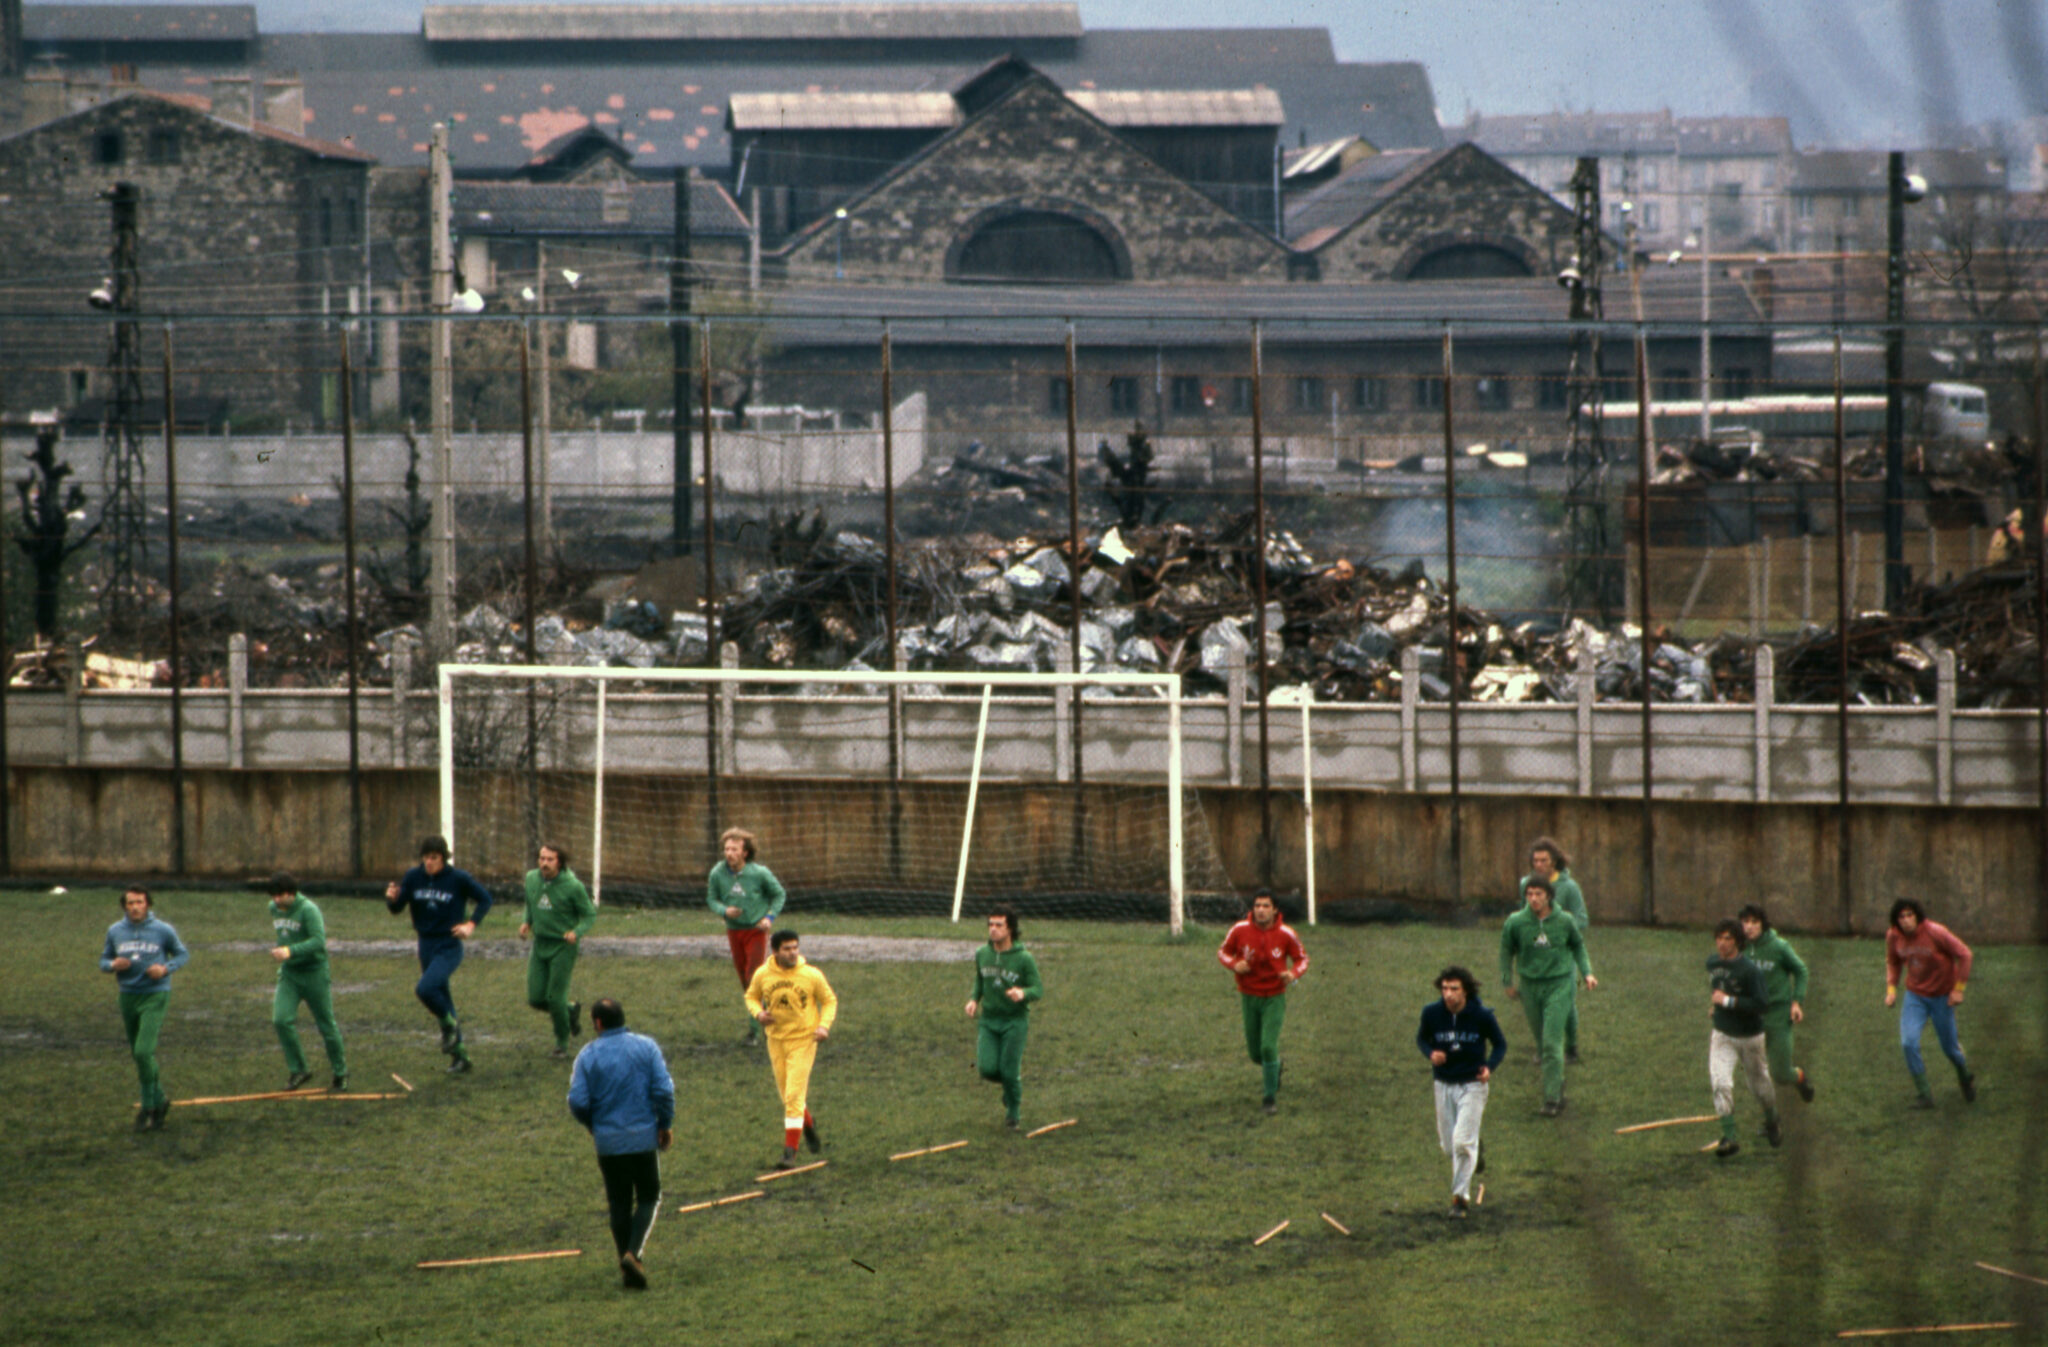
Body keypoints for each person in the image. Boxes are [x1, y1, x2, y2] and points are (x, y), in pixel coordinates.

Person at [568, 998, 675, 1290]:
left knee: (618, 1202)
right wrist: (664, 1123)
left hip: (608, 1143)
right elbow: (664, 1091)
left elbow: (577, 1101)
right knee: (650, 1197)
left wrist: (592, 1124)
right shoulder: (647, 1047)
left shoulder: (587, 1055)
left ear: (598, 1023)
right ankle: (634, 1253)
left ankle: (628, 1267)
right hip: (642, 1138)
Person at [385, 834, 494, 1073]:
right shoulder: (413, 877)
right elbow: (397, 908)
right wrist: (391, 899)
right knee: (442, 997)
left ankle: (448, 1027)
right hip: (425, 944)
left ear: (444, 858)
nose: (429, 862)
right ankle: (461, 1057)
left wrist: (470, 924)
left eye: (434, 858)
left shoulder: (458, 878)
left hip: (449, 945)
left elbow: (485, 899)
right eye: (425, 858)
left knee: (425, 989)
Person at [1498, 876, 1595, 1116]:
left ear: (1548, 896)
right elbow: (1506, 951)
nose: (1533, 899)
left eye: (1538, 894)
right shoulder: (1516, 922)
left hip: (1559, 984)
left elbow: (1578, 946)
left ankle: (1552, 1099)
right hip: (1530, 987)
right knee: (1542, 1045)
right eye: (1529, 894)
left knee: (1552, 1042)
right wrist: (1507, 981)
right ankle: (1557, 1081)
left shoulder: (1564, 921)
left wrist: (1587, 972)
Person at [1415, 966, 1506, 1219]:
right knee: (1448, 1146)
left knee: (1461, 1144)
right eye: (1444, 989)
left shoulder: (1482, 1015)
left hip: (1472, 1085)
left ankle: (1460, 1199)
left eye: (1454, 989)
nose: (1448, 994)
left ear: (1465, 990)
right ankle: (1476, 1146)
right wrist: (1431, 1053)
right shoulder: (1431, 1013)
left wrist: (1490, 1067)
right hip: (1443, 1085)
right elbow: (1422, 1039)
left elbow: (1500, 1044)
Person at [744, 930, 837, 1170]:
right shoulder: (763, 974)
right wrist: (758, 1013)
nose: (792, 952)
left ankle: (790, 1153)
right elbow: (751, 996)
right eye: (787, 948)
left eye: (795, 947)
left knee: (794, 1096)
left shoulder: (811, 975)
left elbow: (829, 1000)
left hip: (804, 1040)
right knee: (787, 1097)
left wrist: (824, 1026)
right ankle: (807, 1123)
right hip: (775, 1040)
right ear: (775, 951)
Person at [100, 886, 189, 1132]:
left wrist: (165, 968)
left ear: (148, 904)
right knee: (140, 1055)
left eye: (139, 902)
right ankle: (160, 1099)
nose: (135, 907)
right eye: (130, 903)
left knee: (143, 1051)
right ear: (124, 906)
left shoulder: (162, 930)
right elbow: (103, 960)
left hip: (155, 995)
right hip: (128, 996)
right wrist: (112, 964)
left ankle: (149, 1108)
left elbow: (182, 954)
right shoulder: (115, 931)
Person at [1216, 888, 1309, 1115]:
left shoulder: (1286, 934)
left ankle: (1269, 1099)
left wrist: (1293, 974)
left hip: (1274, 997)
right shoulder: (1239, 930)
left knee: (1268, 1046)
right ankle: (1274, 1068)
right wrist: (1234, 964)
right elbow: (1223, 952)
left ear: (1275, 909)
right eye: (1257, 905)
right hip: (1249, 996)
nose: (1261, 910)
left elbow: (1302, 958)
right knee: (1256, 1054)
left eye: (1266, 906)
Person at [1884, 899, 1975, 1108]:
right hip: (1915, 996)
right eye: (1901, 917)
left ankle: (1964, 1076)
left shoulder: (1935, 932)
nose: (1906, 921)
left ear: (1917, 916)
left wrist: (1958, 990)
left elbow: (1965, 954)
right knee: (1908, 1042)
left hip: (1942, 997)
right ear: (1896, 921)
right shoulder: (1893, 936)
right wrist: (1891, 989)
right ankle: (1925, 1094)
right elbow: (1893, 960)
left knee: (1950, 1048)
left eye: (1909, 915)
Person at [1706, 918, 1781, 1158]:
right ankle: (1729, 1138)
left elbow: (1761, 1004)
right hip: (1722, 1035)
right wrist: (1716, 1007)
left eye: (1727, 938)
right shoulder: (1712, 963)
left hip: (1750, 1037)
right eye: (1719, 938)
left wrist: (1727, 1002)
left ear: (1738, 941)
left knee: (1759, 1086)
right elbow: (1718, 987)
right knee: (1720, 1082)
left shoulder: (1751, 971)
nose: (1722, 943)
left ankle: (1772, 1120)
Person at [267, 871, 348, 1091]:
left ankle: (340, 1073)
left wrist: (290, 951)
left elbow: (318, 942)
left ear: (291, 894)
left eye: (280, 896)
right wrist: (282, 952)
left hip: (314, 974)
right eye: (273, 896)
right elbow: (285, 934)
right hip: (290, 975)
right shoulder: (273, 909)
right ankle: (299, 1069)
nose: (275, 901)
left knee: (326, 1025)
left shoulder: (309, 910)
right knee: (281, 1019)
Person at [965, 905, 1043, 1130]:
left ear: (1011, 929)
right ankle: (1011, 1086)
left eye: (999, 925)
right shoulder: (982, 954)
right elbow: (980, 979)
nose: (993, 930)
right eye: (990, 924)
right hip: (989, 1021)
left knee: (1009, 1070)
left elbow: (1038, 989)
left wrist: (1023, 993)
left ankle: (1013, 1112)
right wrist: (973, 999)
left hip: (1014, 1022)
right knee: (987, 1069)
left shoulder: (1024, 959)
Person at [707, 827, 787, 1042]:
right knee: (744, 979)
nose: (729, 853)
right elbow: (711, 899)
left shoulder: (759, 873)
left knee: (753, 976)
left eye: (734, 849)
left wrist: (768, 918)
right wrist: (724, 911)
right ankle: (769, 1012)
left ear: (745, 852)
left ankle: (755, 1030)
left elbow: (779, 894)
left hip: (755, 931)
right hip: (734, 931)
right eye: (726, 849)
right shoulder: (717, 873)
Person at [520, 842, 596, 1059]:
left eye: (549, 859)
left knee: (555, 998)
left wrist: (577, 932)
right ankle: (569, 1010)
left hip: (563, 946)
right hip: (540, 944)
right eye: (541, 858)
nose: (544, 863)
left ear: (559, 862)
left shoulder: (573, 886)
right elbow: (531, 902)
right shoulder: (531, 878)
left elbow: (589, 914)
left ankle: (561, 1044)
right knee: (535, 998)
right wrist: (527, 922)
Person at [1520, 838, 1588, 1063]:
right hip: (1536, 956)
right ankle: (1543, 1050)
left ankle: (1571, 1048)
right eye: (1535, 860)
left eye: (1544, 860)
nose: (1539, 864)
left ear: (1555, 861)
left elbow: (1581, 918)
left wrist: (1560, 933)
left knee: (1565, 1003)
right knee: (1537, 1004)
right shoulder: (1525, 885)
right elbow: (1525, 916)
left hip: (1562, 956)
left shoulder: (1569, 887)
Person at [1737, 903, 1814, 1103]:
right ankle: (1771, 1120)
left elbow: (1801, 970)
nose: (1750, 927)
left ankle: (1800, 1077)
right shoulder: (1740, 949)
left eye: (1755, 922)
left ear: (1763, 924)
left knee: (1780, 1074)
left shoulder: (1778, 946)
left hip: (1778, 1015)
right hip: (1752, 1019)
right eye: (1746, 922)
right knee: (1756, 1075)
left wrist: (1797, 1001)